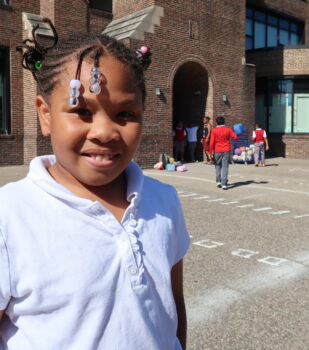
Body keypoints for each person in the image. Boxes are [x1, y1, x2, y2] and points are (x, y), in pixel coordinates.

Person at [0, 18, 190, 350]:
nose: (104, 132)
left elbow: (173, 305)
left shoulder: (164, 200)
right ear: (45, 115)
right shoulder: (10, 215)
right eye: (82, 111)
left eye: (125, 114)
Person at [209, 116, 238, 190]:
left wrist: (210, 152)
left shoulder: (214, 131)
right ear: (224, 122)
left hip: (217, 150)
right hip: (226, 149)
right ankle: (224, 183)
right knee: (225, 166)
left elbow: (211, 143)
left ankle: (218, 181)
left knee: (218, 166)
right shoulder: (228, 129)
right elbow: (235, 137)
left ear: (216, 122)